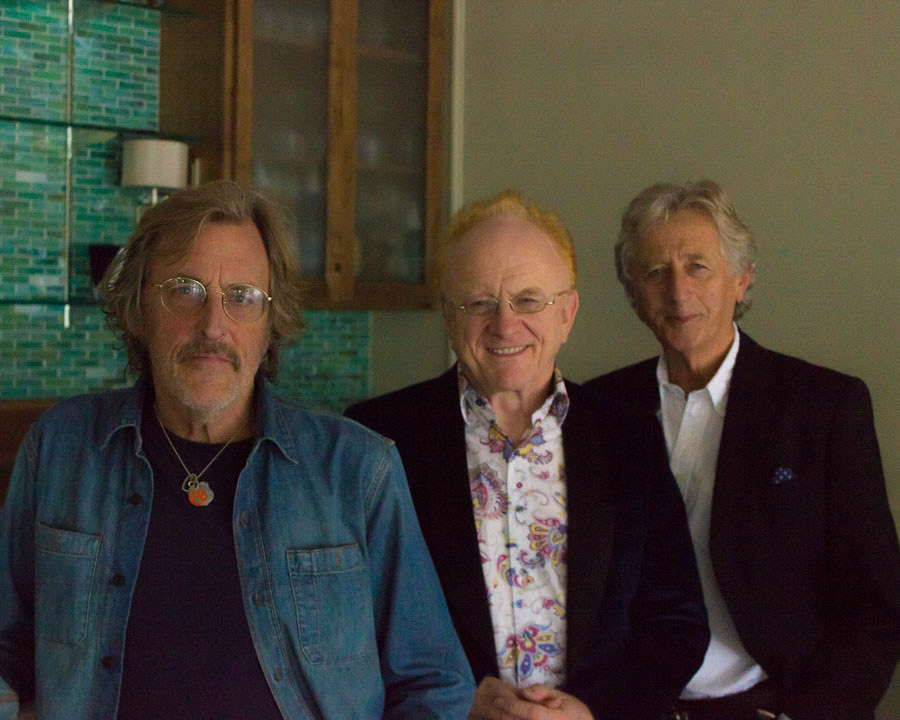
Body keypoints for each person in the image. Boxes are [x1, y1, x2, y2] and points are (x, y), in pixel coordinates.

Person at [0, 180, 474, 720]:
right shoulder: (60, 449)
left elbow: (433, 684)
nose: (213, 326)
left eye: (242, 297)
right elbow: (7, 647)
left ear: (270, 324)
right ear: (138, 307)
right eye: (185, 290)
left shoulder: (357, 470)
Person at [346, 190, 709, 720]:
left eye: (529, 300)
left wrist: (592, 710)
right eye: (479, 303)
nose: (505, 324)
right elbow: (343, 622)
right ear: (449, 315)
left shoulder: (629, 439)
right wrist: (453, 697)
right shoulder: (376, 439)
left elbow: (677, 623)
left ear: (568, 313)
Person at [586, 180, 900, 720]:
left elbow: (876, 604)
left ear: (741, 278)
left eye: (698, 267)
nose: (678, 292)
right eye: (656, 272)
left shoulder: (822, 408)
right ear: (633, 292)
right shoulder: (597, 411)